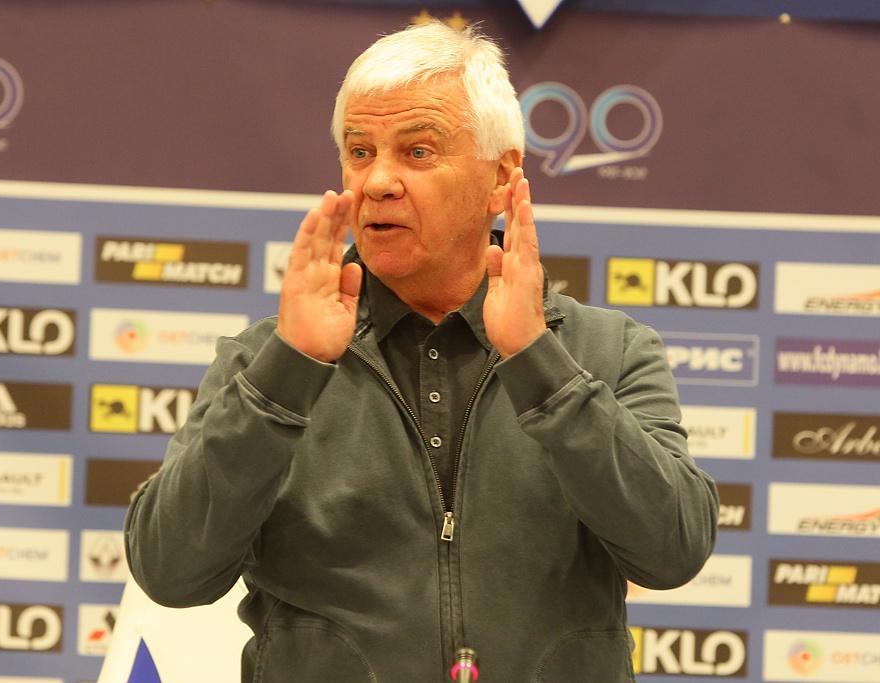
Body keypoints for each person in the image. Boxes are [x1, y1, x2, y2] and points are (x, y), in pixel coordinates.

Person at [125, 20, 718, 682]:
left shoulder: (608, 350)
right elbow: (169, 571)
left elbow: (673, 550)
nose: (377, 181)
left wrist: (540, 364)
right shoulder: (267, 359)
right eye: (359, 152)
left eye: (418, 151)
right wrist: (288, 372)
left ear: (502, 178)